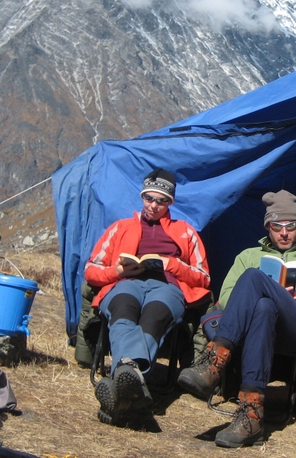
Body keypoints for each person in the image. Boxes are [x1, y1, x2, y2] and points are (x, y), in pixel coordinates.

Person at [177, 190, 296, 448]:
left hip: (294, 324)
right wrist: (261, 295)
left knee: (254, 278)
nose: (284, 233)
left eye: (291, 226)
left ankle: (214, 362)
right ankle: (252, 415)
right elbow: (225, 296)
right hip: (255, 329)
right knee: (265, 306)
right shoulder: (248, 255)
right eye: (277, 226)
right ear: (268, 227)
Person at [83, 168, 210, 425]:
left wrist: (171, 264)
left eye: (161, 200)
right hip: (125, 282)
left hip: (167, 286)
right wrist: (116, 271)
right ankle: (131, 385)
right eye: (149, 198)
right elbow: (90, 270)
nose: (153, 205)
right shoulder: (120, 228)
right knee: (123, 309)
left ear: (170, 202)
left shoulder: (185, 232)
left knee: (154, 315)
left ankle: (124, 382)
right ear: (142, 197)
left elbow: (203, 276)